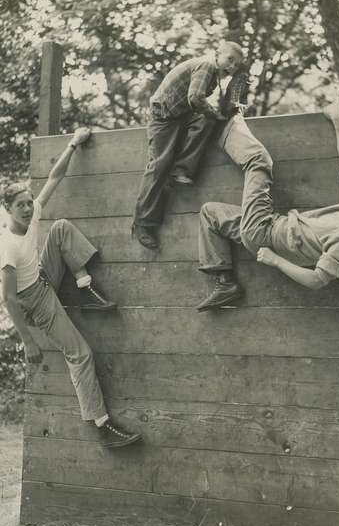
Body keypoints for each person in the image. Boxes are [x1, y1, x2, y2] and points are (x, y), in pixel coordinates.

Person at [1, 127, 142, 448]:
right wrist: (28, 341)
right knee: (80, 354)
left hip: (41, 275)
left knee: (61, 228)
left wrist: (73, 144)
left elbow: (54, 178)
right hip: (32, 300)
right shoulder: (6, 246)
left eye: (27, 203)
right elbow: (8, 299)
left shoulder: (31, 214)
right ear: (7, 209)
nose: (27, 208)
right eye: (20, 205)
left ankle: (84, 285)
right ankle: (101, 424)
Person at [197, 105, 339, 311]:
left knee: (259, 162)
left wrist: (275, 261)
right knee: (210, 213)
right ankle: (225, 283)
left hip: (263, 231)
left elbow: (317, 279)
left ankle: (225, 119)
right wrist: (337, 120)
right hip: (268, 226)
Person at [132, 41, 245, 250]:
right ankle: (142, 224)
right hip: (164, 117)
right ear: (217, 53)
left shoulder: (215, 75)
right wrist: (215, 113)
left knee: (208, 120)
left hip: (181, 115)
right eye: (230, 59)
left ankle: (181, 169)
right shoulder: (208, 65)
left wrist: (225, 111)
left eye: (236, 65)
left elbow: (200, 105)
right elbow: (195, 98)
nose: (232, 66)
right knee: (159, 165)